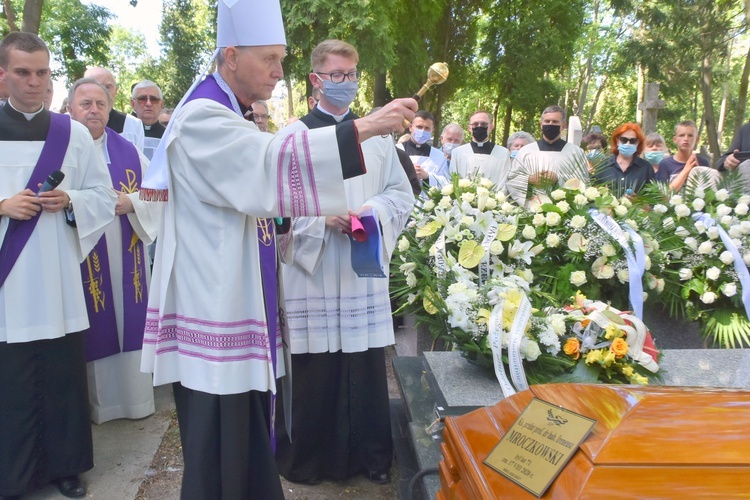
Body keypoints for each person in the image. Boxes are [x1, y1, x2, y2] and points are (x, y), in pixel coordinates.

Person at [138, 1, 417, 498]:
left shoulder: (228, 113)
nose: (277, 71)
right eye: (269, 58)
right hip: (215, 305)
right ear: (230, 57)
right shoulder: (203, 115)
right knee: (219, 444)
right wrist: (370, 125)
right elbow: (269, 168)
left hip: (235, 298)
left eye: (282, 59)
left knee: (241, 436)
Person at [275, 38, 415, 486]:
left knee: (363, 363)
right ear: (315, 80)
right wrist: (318, 220)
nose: (346, 83)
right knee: (317, 367)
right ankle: (312, 461)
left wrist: (369, 215)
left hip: (360, 265)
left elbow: (400, 194)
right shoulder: (292, 138)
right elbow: (273, 205)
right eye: (336, 75)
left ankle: (371, 457)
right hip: (310, 272)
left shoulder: (377, 137)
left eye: (352, 74)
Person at [0, 32, 117, 499]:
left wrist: (71, 199)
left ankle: (66, 468)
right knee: (12, 378)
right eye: (23, 72)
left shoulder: (71, 133)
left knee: (62, 376)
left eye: (42, 72)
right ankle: (13, 475)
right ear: (3, 73)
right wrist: (2, 206)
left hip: (58, 278)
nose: (34, 82)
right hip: (9, 284)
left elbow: (104, 195)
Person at [66, 77, 159, 425]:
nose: (94, 110)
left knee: (131, 315)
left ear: (110, 109)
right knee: (93, 320)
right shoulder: (62, 149)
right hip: (82, 252)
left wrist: (131, 203)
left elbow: (158, 193)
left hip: (127, 246)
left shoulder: (127, 150)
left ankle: (135, 402)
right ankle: (97, 408)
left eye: (100, 104)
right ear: (71, 109)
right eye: (86, 104)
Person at [506, 105, 588, 205]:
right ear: (541, 124)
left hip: (564, 210)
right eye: (547, 121)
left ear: (563, 126)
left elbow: (583, 182)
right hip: (531, 210)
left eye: (555, 122)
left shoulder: (575, 152)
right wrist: (529, 180)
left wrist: (558, 178)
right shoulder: (526, 151)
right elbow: (512, 179)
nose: (550, 124)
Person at [84, 67, 145, 151]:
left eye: (108, 87)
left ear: (115, 91)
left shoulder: (132, 125)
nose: (103, 92)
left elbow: (137, 162)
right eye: (95, 86)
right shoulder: (68, 124)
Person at [592, 123, 654, 196]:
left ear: (638, 143)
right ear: (617, 141)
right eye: (624, 140)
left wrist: (638, 201)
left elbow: (652, 200)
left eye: (633, 141)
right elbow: (593, 196)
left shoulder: (646, 168)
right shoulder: (603, 166)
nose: (628, 143)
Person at [450, 110, 511, 187]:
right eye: (475, 124)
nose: (479, 126)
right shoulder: (458, 153)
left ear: (491, 127)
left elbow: (504, 183)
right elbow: (453, 181)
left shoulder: (503, 153)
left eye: (483, 124)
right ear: (469, 128)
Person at [656, 120, 714, 191]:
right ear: (675, 139)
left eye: (690, 135)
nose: (686, 139)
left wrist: (698, 171)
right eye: (681, 135)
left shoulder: (703, 162)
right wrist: (686, 170)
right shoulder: (665, 164)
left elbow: (708, 192)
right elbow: (663, 196)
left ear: (697, 139)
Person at [397, 110, 449, 187]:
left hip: (427, 198)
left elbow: (446, 183)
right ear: (411, 127)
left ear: (432, 130)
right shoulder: (396, 151)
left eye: (427, 128)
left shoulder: (439, 156)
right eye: (419, 127)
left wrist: (427, 176)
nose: (422, 131)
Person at [131, 79, 165, 160]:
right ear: (132, 103)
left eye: (154, 99)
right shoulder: (124, 132)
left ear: (162, 104)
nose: (148, 104)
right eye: (142, 99)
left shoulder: (167, 136)